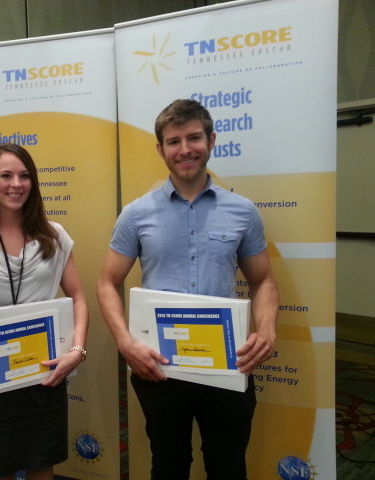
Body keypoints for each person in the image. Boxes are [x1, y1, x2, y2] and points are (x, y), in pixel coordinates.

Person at [96, 99, 279, 480]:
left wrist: (266, 330)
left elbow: (262, 280)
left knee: (228, 467)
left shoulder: (243, 211)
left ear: (211, 140)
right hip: (159, 366)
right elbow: (107, 283)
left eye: (194, 138)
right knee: (169, 465)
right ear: (160, 149)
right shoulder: (136, 214)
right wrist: (125, 343)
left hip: (227, 362)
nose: (185, 149)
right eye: (173, 141)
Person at [0, 143, 88, 480]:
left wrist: (77, 350)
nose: (16, 184)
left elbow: (79, 298)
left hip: (45, 369)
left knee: (41, 464)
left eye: (24, 176)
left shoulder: (54, 236)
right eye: (6, 175)